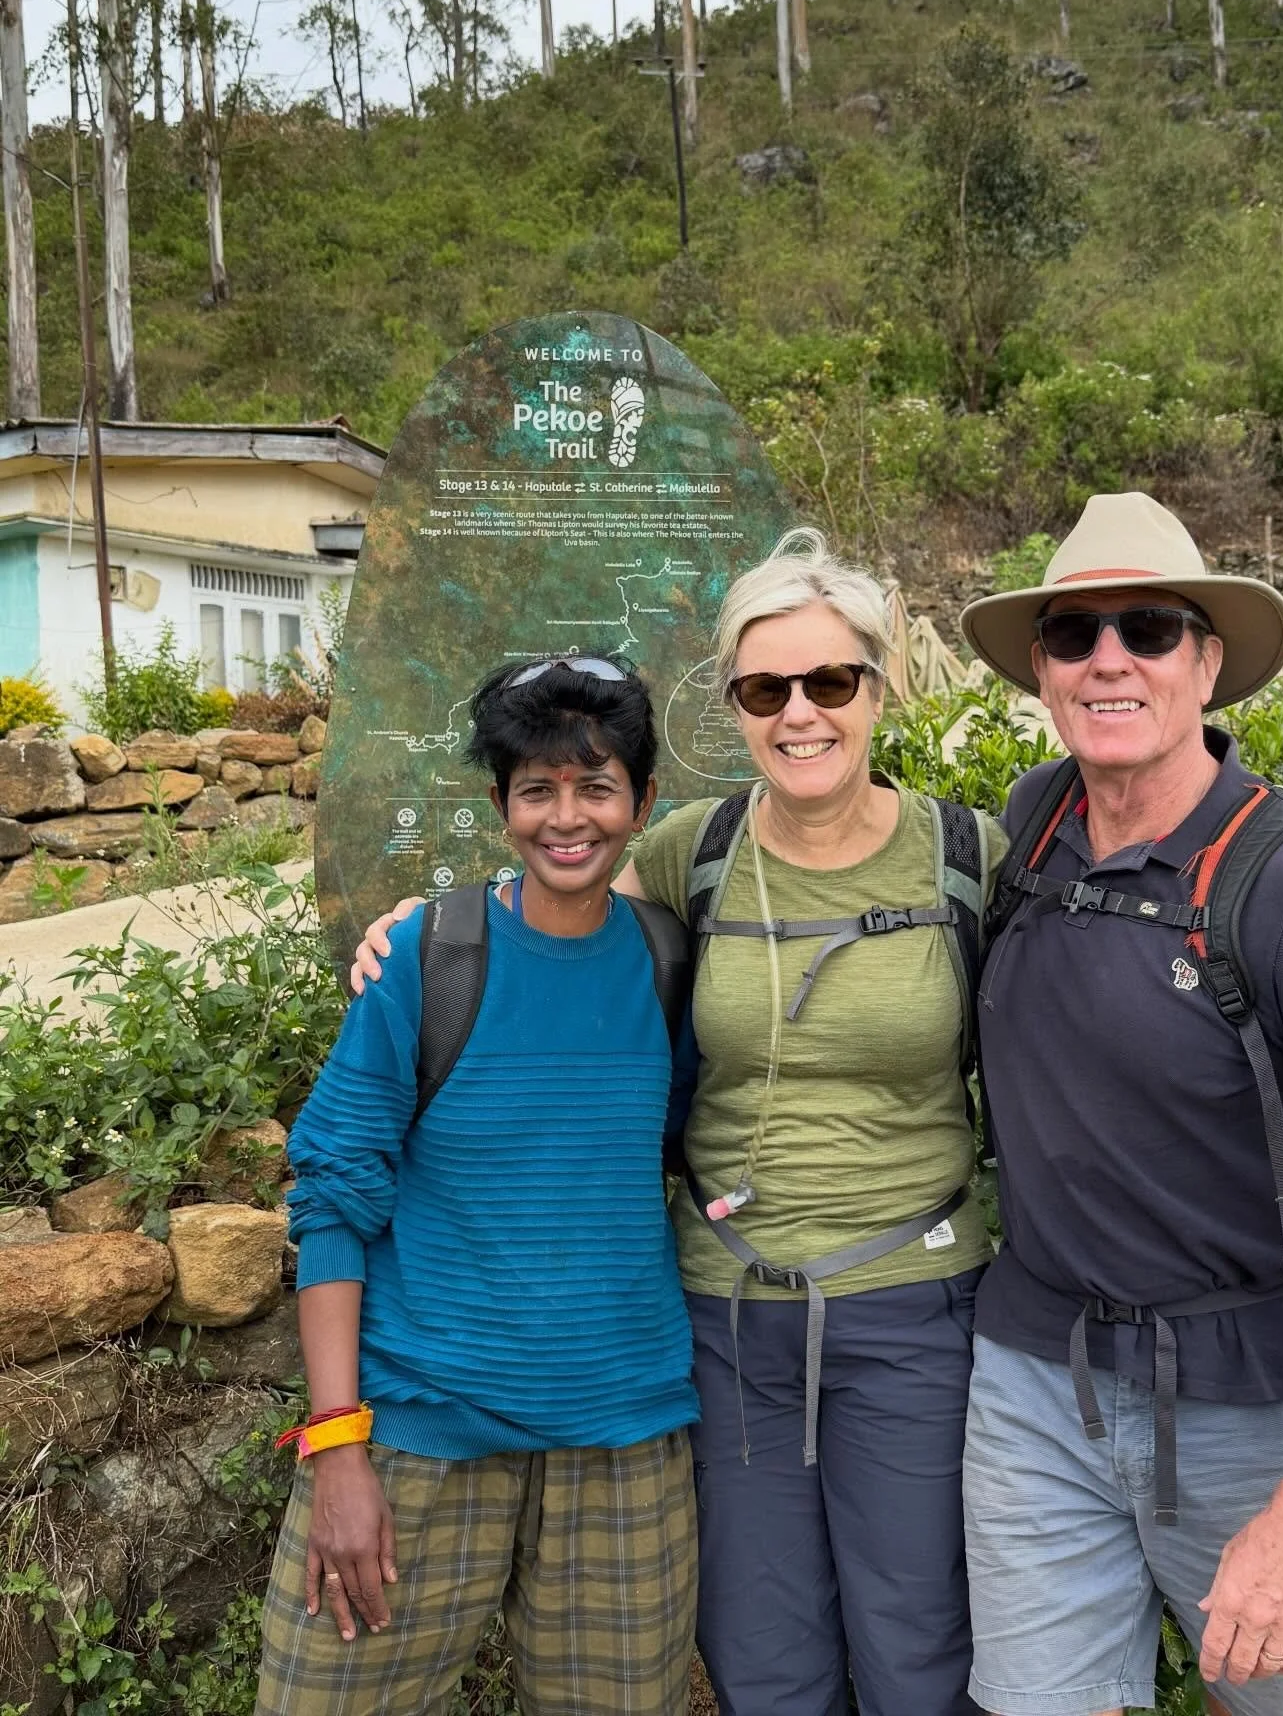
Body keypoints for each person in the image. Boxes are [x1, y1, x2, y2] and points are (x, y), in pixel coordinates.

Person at [356, 530, 1004, 1716]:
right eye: (767, 688)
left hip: (917, 1308)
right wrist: (415, 924)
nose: (800, 713)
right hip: (730, 1310)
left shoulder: (966, 858)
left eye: (831, 682)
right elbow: (555, 888)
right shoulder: (690, 850)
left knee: (920, 1650)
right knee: (763, 1651)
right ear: (734, 705)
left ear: (880, 684)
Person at [956, 492, 1283, 1716]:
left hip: (1247, 1401)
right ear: (1043, 671)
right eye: (1074, 635)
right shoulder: (1029, 825)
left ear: (1209, 662)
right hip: (1035, 1383)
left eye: (1150, 629)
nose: (1109, 658)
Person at [255, 655, 699, 1716]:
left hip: (624, 1448)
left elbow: (668, 1150)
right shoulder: (430, 956)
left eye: (596, 787)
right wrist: (337, 1446)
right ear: (501, 807)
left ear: (643, 803)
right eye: (536, 790)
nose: (567, 817)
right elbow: (332, 1200)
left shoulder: (667, 961)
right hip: (416, 1438)